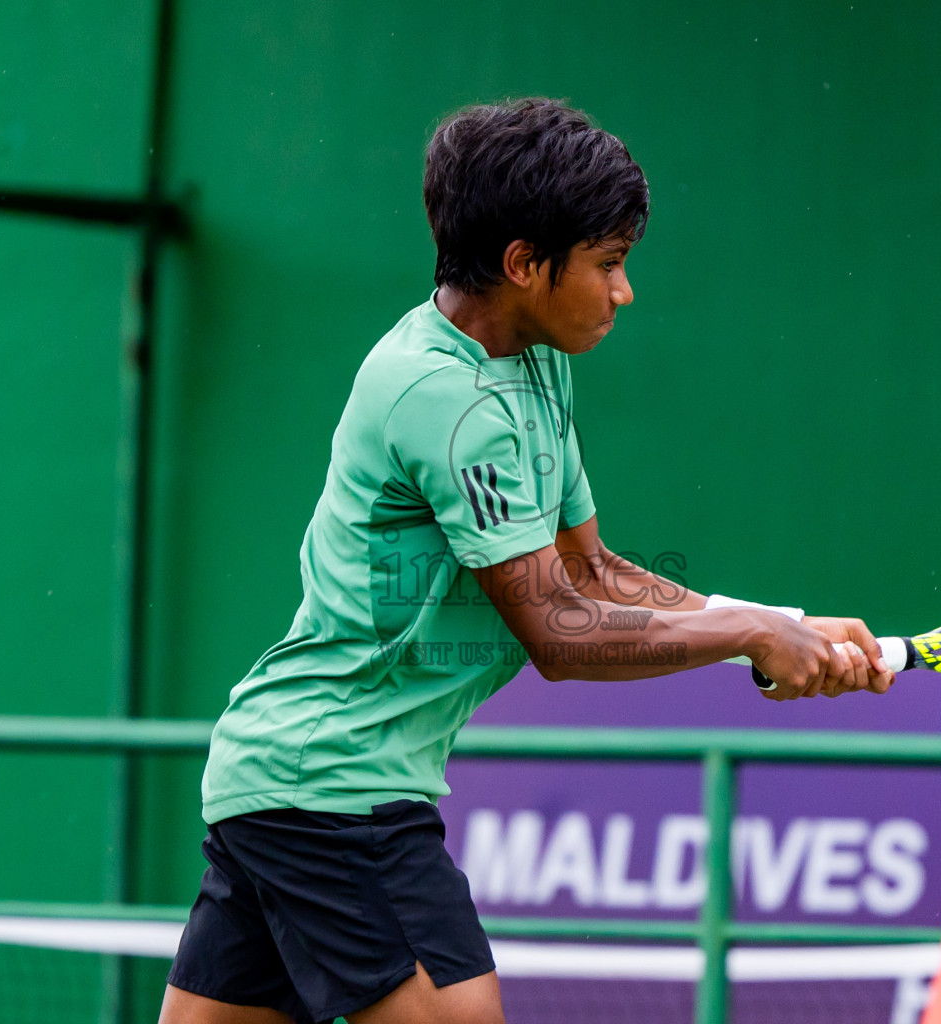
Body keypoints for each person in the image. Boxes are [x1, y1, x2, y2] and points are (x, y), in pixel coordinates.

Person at [159, 98, 895, 1024]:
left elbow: (594, 574)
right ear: (522, 264)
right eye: (609, 265)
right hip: (332, 791)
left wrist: (775, 620)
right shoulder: (443, 396)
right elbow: (559, 629)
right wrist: (747, 636)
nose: (624, 292)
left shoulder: (533, 358)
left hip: (302, 782)